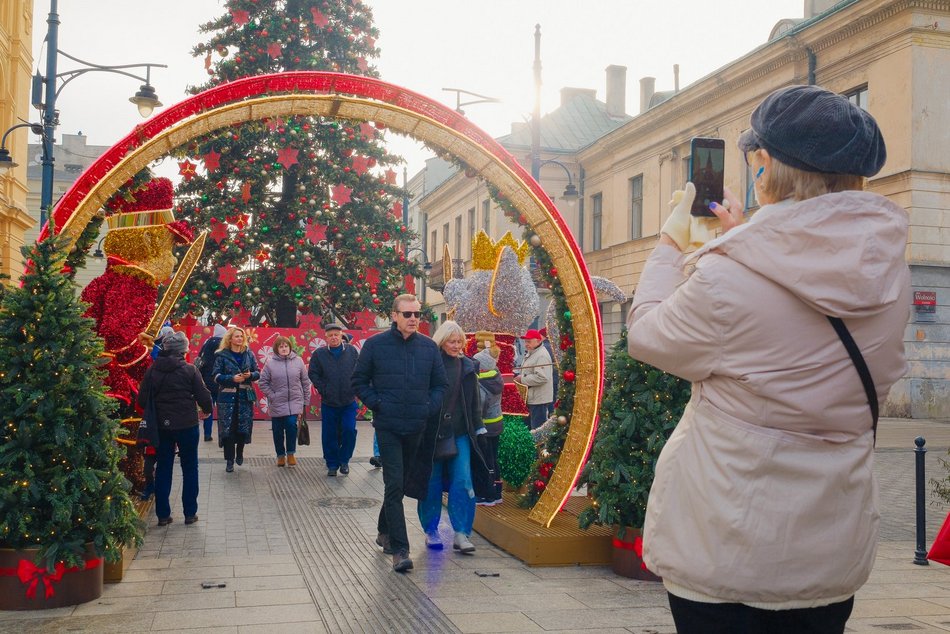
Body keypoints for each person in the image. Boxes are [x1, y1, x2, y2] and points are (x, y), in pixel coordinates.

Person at [626, 85, 909, 633]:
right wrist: (748, 239)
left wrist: (670, 244)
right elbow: (805, 292)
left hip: (730, 552)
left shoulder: (729, 276)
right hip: (829, 553)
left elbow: (648, 334)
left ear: (771, 169)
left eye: (757, 160)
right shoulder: (889, 274)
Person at [352, 294, 447, 573]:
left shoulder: (429, 348)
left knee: (403, 484)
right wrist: (378, 404)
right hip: (389, 426)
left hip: (417, 425)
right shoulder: (375, 345)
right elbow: (358, 380)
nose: (413, 319)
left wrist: (428, 407)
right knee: (394, 484)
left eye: (417, 314)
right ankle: (400, 549)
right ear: (394, 315)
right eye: (407, 314)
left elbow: (440, 385)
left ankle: (383, 530)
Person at [406, 321, 493, 554]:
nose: (456, 346)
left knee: (463, 481)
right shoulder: (430, 365)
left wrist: (479, 428)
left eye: (460, 342)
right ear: (442, 342)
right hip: (432, 434)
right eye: (452, 341)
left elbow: (474, 403)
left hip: (461, 433)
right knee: (431, 483)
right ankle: (431, 530)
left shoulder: (468, 366)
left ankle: (462, 533)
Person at [137, 331, 213, 526]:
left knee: (163, 467)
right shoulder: (190, 370)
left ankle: (163, 515)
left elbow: (142, 399)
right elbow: (204, 397)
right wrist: (205, 410)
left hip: (161, 426)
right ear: (183, 350)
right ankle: (189, 513)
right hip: (187, 424)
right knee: (190, 467)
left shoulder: (153, 370)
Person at [308, 323, 359, 476]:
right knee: (329, 433)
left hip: (349, 401)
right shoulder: (319, 354)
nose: (334, 338)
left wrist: (355, 387)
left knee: (349, 430)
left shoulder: (352, 351)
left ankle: (344, 460)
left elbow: (359, 370)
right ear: (326, 337)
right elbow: (313, 373)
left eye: (336, 334)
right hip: (329, 402)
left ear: (341, 335)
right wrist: (323, 389)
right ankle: (332, 464)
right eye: (330, 335)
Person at [212, 326, 260, 473]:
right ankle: (229, 460)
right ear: (230, 338)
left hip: (244, 397)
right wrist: (231, 378)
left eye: (241, 336)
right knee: (228, 430)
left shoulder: (248, 354)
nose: (240, 338)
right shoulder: (221, 355)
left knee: (243, 428)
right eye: (237, 336)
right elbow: (216, 376)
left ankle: (240, 452)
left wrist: (250, 375)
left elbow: (257, 372)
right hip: (227, 398)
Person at [260, 335, 311, 467]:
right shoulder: (270, 363)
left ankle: (290, 453)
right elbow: (263, 382)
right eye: (281, 346)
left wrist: (305, 400)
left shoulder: (298, 361)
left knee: (291, 426)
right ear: (276, 349)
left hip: (294, 401)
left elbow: (305, 382)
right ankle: (280, 455)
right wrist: (273, 395)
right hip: (277, 402)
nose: (284, 348)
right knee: (277, 430)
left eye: (286, 346)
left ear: (290, 347)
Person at [473, 343, 505, 506]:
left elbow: (480, 407)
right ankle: (497, 492)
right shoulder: (496, 378)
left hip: (486, 426)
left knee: (486, 460)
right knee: (494, 457)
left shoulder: (481, 385)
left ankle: (488, 494)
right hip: (497, 423)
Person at [515, 329, 553, 430]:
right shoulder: (532, 352)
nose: (526, 344)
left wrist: (522, 379)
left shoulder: (541, 355)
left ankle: (539, 446)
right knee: (531, 427)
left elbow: (542, 377)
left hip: (539, 399)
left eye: (529, 341)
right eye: (525, 341)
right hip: (532, 398)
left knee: (537, 428)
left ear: (538, 341)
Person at [196, 324, 226, 441]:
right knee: (223, 409)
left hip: (207, 381)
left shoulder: (206, 344)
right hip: (220, 380)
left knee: (208, 408)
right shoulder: (225, 346)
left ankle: (207, 434)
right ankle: (223, 434)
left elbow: (200, 361)